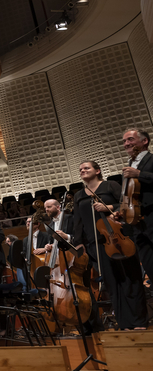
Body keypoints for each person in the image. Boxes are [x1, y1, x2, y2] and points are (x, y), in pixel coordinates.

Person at [71, 160, 147, 330]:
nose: (83, 170)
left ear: (97, 170)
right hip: (96, 245)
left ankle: (139, 321)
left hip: (119, 240)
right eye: (81, 169)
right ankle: (125, 323)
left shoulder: (110, 186)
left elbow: (127, 204)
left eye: (87, 168)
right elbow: (78, 222)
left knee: (131, 279)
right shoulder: (79, 195)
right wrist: (79, 243)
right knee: (112, 284)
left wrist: (109, 207)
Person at [119, 129, 153, 283]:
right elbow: (127, 194)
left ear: (144, 141)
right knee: (148, 264)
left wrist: (139, 174)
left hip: (152, 217)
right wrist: (121, 210)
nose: (126, 144)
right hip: (137, 223)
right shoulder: (130, 164)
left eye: (130, 139)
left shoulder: (151, 160)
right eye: (124, 141)